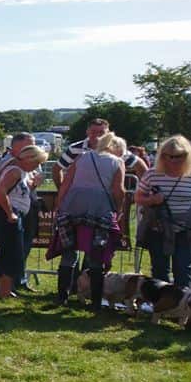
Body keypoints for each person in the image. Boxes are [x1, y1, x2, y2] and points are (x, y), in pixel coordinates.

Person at [51, 132, 128, 308]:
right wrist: (118, 210)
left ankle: (62, 296)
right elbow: (119, 190)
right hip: (99, 209)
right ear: (116, 149)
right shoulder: (117, 162)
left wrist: (60, 205)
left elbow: (66, 183)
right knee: (96, 254)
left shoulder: (82, 157)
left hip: (72, 206)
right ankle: (95, 301)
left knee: (68, 252)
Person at [135, 135, 191, 289]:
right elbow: (138, 197)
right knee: (159, 270)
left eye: (179, 156)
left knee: (183, 270)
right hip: (158, 230)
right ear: (163, 156)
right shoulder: (152, 174)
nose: (174, 160)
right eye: (170, 156)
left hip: (186, 232)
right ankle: (160, 301)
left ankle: (183, 301)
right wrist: (152, 200)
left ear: (187, 155)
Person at [0, 145, 49, 298]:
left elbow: (22, 192)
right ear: (28, 159)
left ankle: (6, 289)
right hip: (9, 215)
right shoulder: (15, 171)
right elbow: (0, 191)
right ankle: (4, 291)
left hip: (16, 214)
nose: (37, 167)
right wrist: (10, 213)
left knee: (13, 252)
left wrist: (34, 184)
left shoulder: (23, 172)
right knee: (10, 253)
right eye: (36, 163)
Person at [55, 118, 147, 190]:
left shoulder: (116, 149)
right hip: (80, 194)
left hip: (108, 195)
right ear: (87, 131)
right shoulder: (74, 149)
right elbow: (56, 169)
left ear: (108, 134)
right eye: (93, 132)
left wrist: (143, 190)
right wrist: (62, 190)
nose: (97, 136)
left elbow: (139, 165)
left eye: (101, 132)